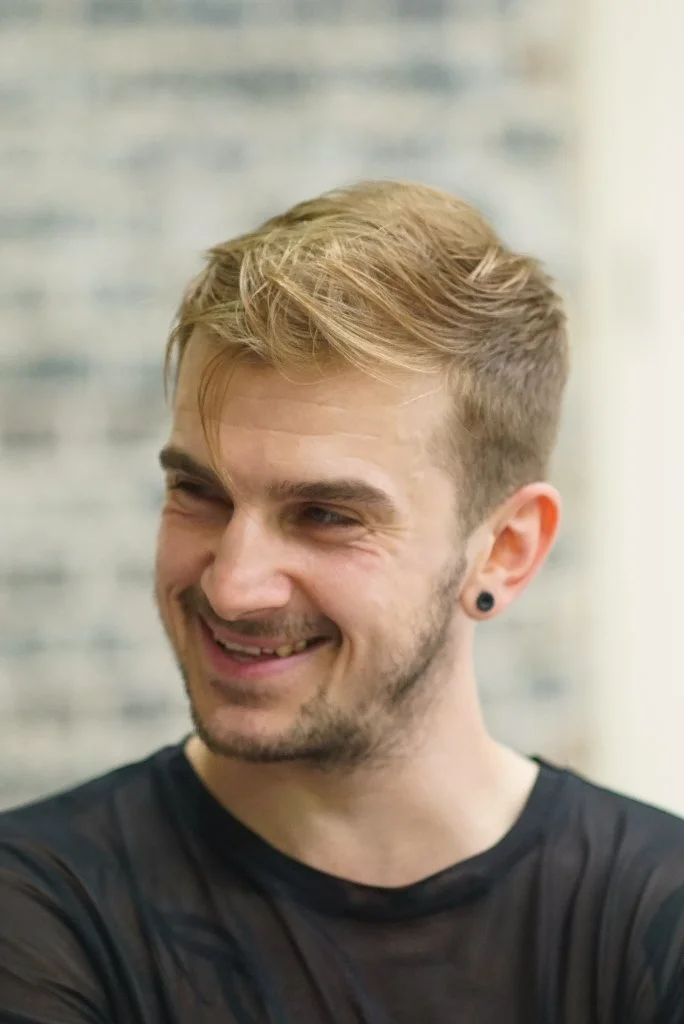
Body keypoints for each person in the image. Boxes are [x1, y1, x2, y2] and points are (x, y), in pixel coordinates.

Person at [1, 181, 682, 1024]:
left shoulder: (657, 918)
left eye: (326, 515)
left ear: (506, 550)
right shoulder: (40, 911)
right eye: (199, 493)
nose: (232, 585)